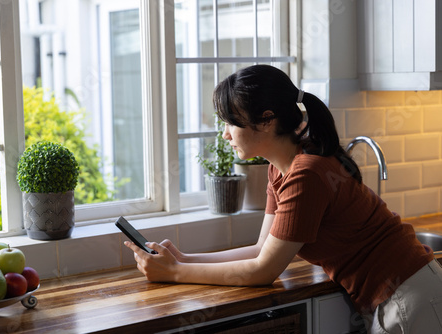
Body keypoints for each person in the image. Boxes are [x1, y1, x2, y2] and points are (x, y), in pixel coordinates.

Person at [124, 64, 442, 333]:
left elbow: (263, 272)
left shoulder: (307, 172)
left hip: (410, 298)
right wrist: (182, 259)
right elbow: (262, 249)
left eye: (230, 122)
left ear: (266, 120)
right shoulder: (281, 169)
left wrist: (174, 274)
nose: (224, 134)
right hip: (404, 294)